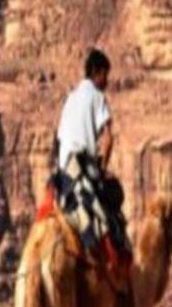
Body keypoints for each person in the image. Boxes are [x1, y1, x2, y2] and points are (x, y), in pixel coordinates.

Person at [52, 48, 130, 277]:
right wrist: (102, 169)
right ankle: (114, 275)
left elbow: (59, 141)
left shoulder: (70, 98)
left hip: (63, 172)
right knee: (113, 210)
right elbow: (108, 138)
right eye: (105, 75)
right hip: (82, 167)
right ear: (97, 72)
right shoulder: (96, 96)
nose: (107, 82)